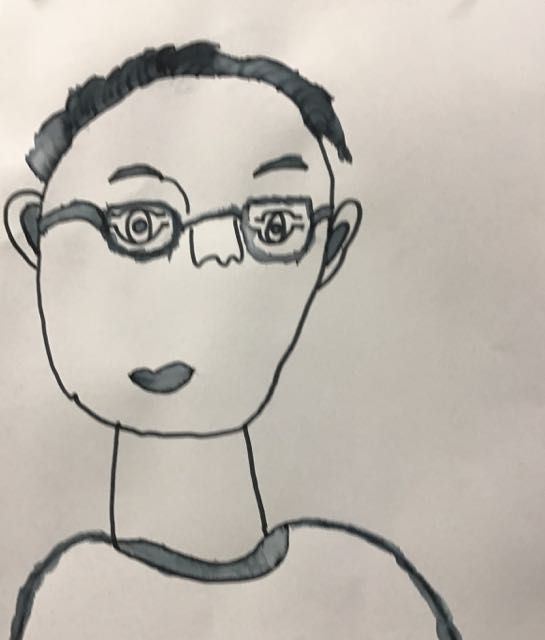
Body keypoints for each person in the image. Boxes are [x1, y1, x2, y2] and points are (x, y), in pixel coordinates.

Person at [4, 41, 462, 639]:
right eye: (137, 224)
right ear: (34, 236)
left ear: (328, 250)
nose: (211, 267)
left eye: (274, 225)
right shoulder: (68, 602)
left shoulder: (379, 596)